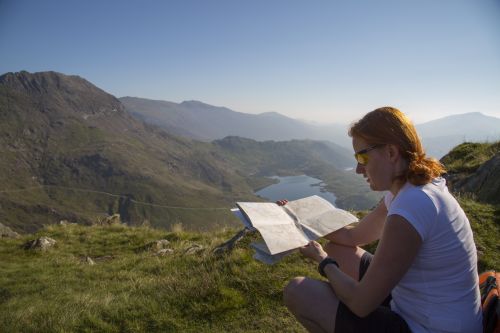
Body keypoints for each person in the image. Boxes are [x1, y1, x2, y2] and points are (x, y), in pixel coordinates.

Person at [282, 107, 483, 333]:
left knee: (298, 291)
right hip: (419, 307)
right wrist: (297, 216)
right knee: (339, 250)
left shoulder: (413, 205)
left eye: (362, 156)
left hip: (429, 327)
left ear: (391, 152)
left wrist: (323, 261)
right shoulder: (409, 190)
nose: (359, 169)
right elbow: (352, 237)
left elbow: (360, 304)